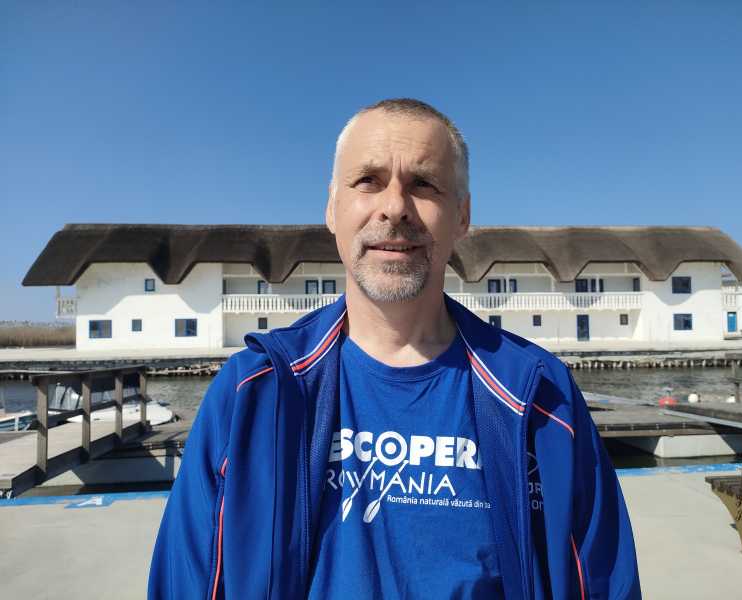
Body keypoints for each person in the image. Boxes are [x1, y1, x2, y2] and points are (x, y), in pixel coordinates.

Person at [148, 98, 641, 599]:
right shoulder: (253, 393)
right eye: (368, 180)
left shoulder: (542, 398)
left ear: (462, 215)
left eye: (423, 184)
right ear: (332, 208)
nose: (395, 206)